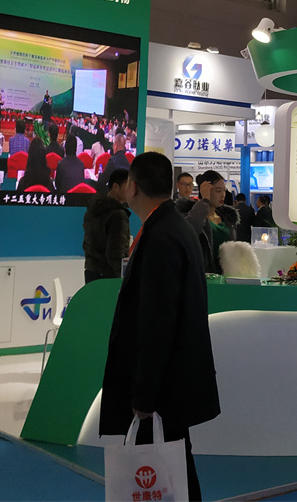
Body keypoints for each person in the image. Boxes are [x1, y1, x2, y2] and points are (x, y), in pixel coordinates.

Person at [99, 152, 220, 501]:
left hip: (165, 383)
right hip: (173, 377)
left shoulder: (161, 235)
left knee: (167, 470)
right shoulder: (171, 227)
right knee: (176, 469)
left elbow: (158, 320)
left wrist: (144, 395)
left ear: (133, 186)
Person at [82, 169, 131, 282]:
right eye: (127, 185)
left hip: (91, 270)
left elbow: (86, 243)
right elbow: (116, 251)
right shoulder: (118, 214)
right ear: (115, 186)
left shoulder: (93, 209)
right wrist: (123, 277)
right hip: (109, 275)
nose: (131, 190)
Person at [185, 170, 237, 272]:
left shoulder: (227, 218)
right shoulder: (195, 216)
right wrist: (204, 200)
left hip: (226, 275)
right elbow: (191, 230)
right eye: (218, 191)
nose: (222, 195)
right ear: (206, 190)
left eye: (224, 190)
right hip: (204, 274)